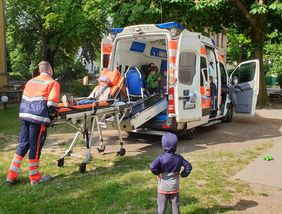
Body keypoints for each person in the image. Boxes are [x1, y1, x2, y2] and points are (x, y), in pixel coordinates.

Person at [7, 61, 60, 185]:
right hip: (38, 118)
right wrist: (51, 117)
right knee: (35, 147)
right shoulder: (53, 83)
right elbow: (52, 105)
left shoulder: (31, 81)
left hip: (25, 116)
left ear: (40, 70)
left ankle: (11, 175)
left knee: (23, 144)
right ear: (50, 70)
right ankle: (35, 177)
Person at [150, 133, 192, 214]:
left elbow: (152, 166)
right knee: (175, 206)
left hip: (163, 188)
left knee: (161, 206)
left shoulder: (160, 158)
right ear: (176, 145)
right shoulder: (179, 158)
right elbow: (188, 167)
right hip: (174, 187)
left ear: (163, 145)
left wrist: (158, 173)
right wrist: (182, 174)